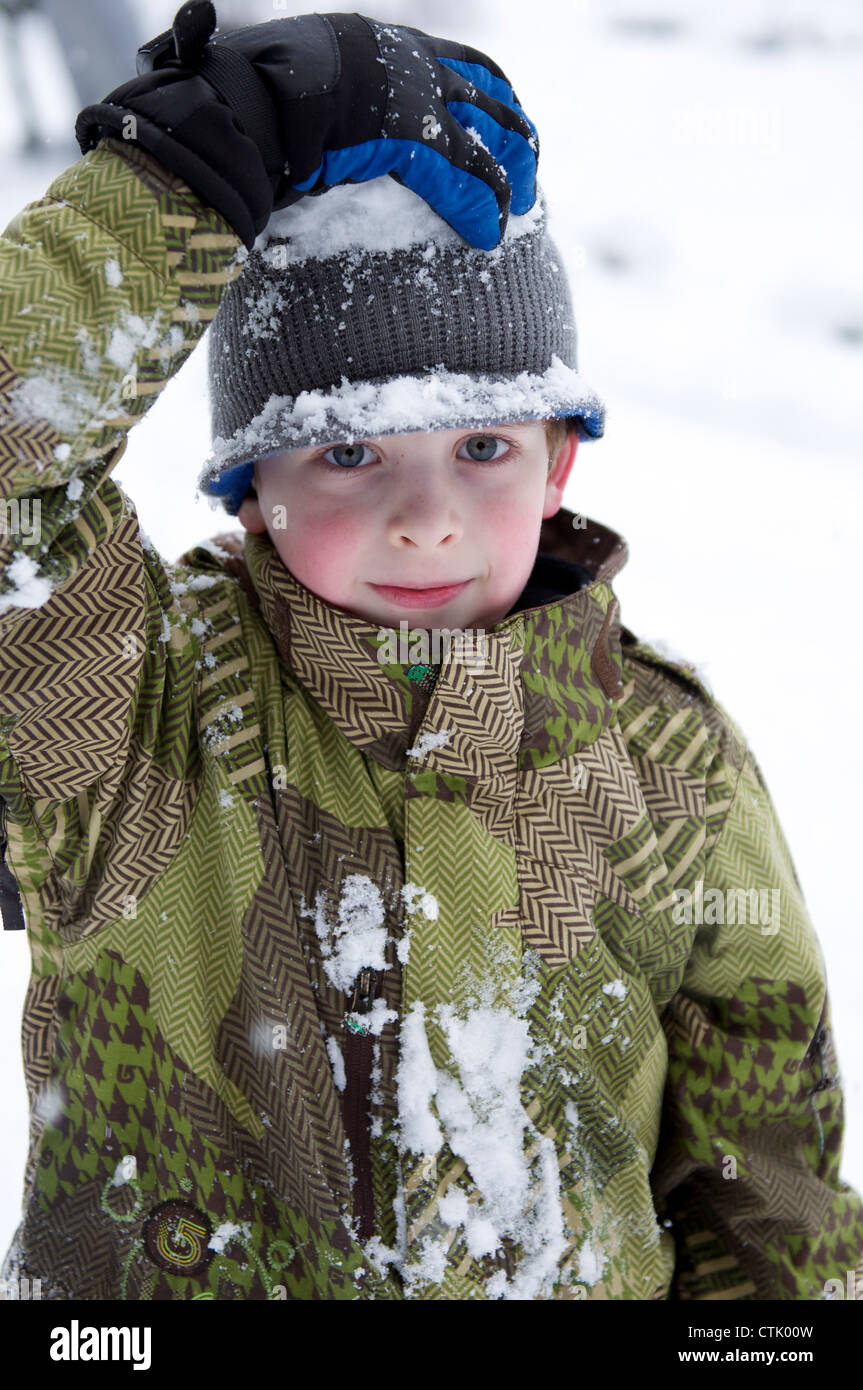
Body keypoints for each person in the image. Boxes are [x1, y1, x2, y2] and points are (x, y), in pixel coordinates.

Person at [0, 1, 859, 1302]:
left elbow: (771, 1198)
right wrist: (177, 183)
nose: (426, 512)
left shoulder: (675, 766)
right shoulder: (141, 709)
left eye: (481, 444)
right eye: (348, 450)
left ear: (560, 455)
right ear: (246, 485)